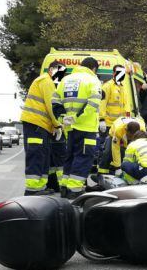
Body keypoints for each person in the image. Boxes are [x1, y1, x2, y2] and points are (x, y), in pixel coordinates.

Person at [52, 57, 103, 199]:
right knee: (83, 157)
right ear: (94, 68)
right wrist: (78, 117)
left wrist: (63, 118)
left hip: (69, 128)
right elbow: (94, 103)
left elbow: (55, 101)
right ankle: (74, 189)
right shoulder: (93, 80)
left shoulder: (65, 80)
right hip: (86, 127)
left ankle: (65, 187)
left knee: (70, 156)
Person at [20, 61, 63, 196]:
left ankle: (40, 187)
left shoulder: (45, 81)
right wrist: (57, 125)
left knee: (43, 155)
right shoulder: (46, 81)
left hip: (40, 125)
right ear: (51, 70)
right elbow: (52, 106)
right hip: (36, 124)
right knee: (37, 155)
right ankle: (32, 189)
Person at [47, 63, 68, 193]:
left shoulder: (56, 86)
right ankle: (61, 186)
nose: (61, 76)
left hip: (53, 129)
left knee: (52, 161)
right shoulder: (51, 86)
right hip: (56, 129)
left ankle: (52, 184)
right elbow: (52, 108)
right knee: (59, 160)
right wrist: (57, 125)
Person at [99, 64, 130, 133]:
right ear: (113, 73)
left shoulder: (123, 87)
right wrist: (101, 120)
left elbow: (126, 105)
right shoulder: (107, 86)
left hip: (120, 124)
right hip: (108, 125)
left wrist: (128, 118)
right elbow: (102, 104)